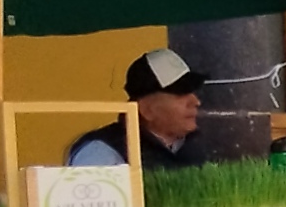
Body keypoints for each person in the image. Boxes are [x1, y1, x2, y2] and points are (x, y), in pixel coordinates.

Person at [68, 48, 210, 169]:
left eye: (193, 92)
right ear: (147, 110)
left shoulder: (197, 147)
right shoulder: (100, 153)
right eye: (181, 93)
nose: (195, 101)